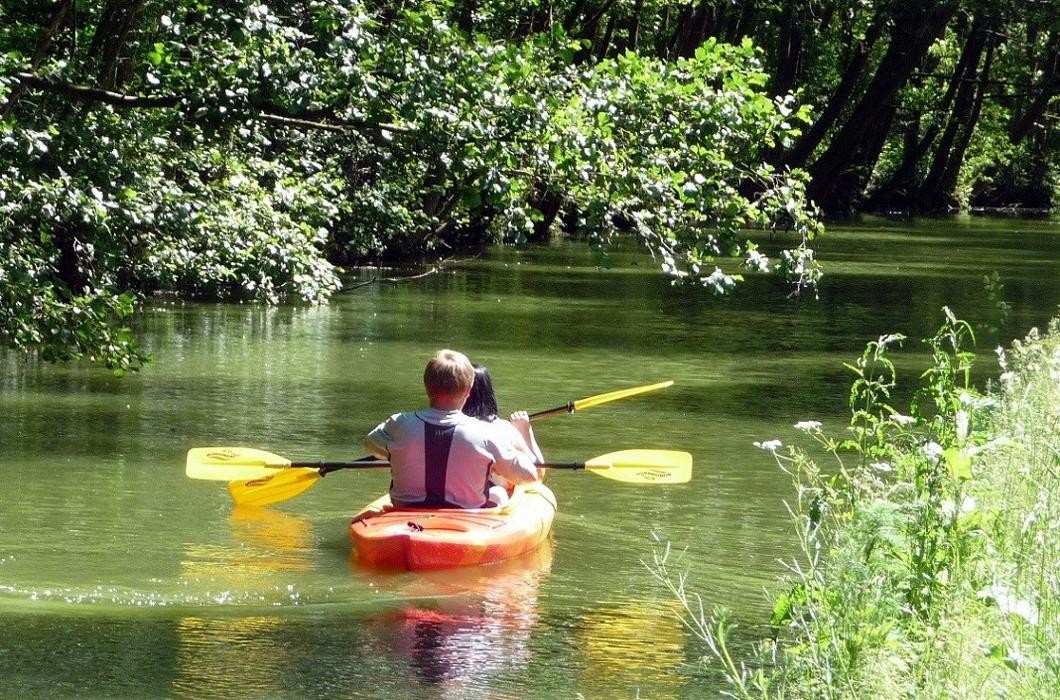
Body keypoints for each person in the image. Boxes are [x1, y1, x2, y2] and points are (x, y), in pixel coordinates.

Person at [364, 349, 539, 509]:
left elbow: (370, 444)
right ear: (468, 391)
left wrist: (395, 452)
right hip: (466, 524)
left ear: (426, 387)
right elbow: (529, 475)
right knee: (499, 494)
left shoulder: (399, 424)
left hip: (404, 516)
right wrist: (498, 461)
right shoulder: (486, 433)